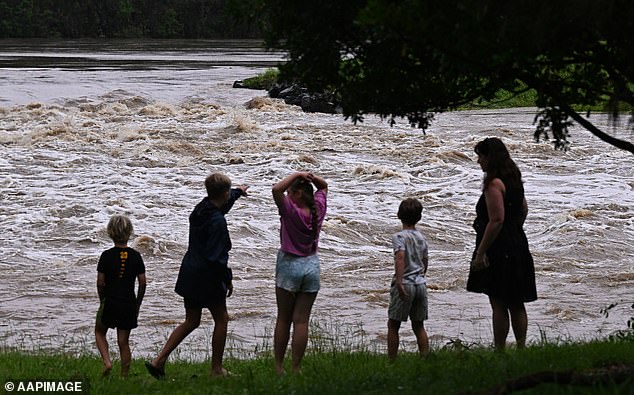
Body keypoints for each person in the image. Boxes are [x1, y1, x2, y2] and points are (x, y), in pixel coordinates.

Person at [145, 173, 248, 378]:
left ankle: (159, 361)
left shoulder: (201, 208)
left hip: (190, 272)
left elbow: (221, 206)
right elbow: (216, 258)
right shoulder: (218, 222)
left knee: (191, 320)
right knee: (222, 319)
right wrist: (227, 279)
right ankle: (216, 370)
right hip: (207, 278)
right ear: (224, 193)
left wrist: (237, 192)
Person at [467, 137, 537, 350]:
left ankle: (499, 350)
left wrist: (481, 253)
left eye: (481, 156)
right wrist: (514, 230)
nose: (479, 161)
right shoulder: (514, 178)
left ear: (490, 157)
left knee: (498, 302)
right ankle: (522, 347)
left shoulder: (493, 184)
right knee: (517, 302)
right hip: (518, 243)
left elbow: (496, 220)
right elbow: (524, 209)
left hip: (498, 249)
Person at [272, 171, 328, 375]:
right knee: (301, 321)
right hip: (311, 266)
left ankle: (279, 367)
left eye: (290, 192)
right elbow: (324, 187)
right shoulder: (318, 208)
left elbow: (275, 189)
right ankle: (296, 367)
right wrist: (311, 178)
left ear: (296, 193)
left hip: (289, 266)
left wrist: (297, 173)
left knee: (283, 319)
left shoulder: (290, 211)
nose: (286, 194)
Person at [95, 214, 146, 377]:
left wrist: (102, 300)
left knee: (99, 332)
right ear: (130, 232)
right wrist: (137, 304)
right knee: (123, 342)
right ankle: (124, 375)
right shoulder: (136, 256)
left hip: (110, 301)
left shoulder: (106, 256)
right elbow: (143, 282)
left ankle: (107, 362)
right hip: (129, 303)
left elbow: (100, 283)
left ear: (110, 232)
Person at [387, 198, 430, 360]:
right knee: (419, 325)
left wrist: (399, 281)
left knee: (393, 324)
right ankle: (425, 358)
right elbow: (425, 260)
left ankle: (392, 361)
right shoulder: (421, 237)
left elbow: (400, 257)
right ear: (419, 217)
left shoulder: (399, 237)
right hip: (420, 284)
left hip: (405, 283)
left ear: (399, 215)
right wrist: (422, 275)